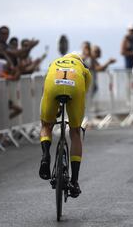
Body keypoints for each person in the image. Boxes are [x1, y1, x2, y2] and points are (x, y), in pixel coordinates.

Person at [39, 53, 92, 198]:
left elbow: (45, 90)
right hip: (74, 89)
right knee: (75, 132)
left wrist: (55, 110)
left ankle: (45, 156)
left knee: (46, 125)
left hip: (53, 87)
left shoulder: (53, 63)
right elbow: (82, 92)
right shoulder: (83, 68)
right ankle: (74, 181)